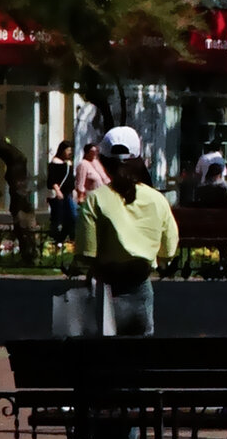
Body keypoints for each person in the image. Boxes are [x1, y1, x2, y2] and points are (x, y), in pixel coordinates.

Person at [74, 126, 180, 337]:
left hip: (107, 287)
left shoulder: (95, 200)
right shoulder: (157, 199)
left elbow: (86, 253)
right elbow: (168, 250)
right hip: (141, 285)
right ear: (139, 159)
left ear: (103, 163)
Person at [47, 139, 77, 241]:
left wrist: (74, 190)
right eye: (68, 150)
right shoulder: (55, 162)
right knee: (63, 215)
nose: (69, 152)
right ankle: (57, 237)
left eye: (70, 150)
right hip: (60, 193)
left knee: (70, 216)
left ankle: (68, 237)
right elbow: (52, 179)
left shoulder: (68, 163)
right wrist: (57, 190)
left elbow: (71, 179)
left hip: (69, 193)